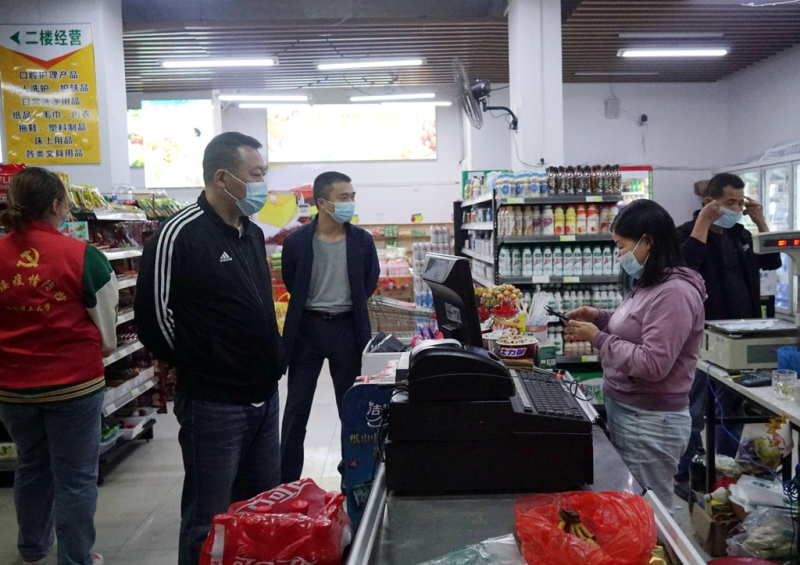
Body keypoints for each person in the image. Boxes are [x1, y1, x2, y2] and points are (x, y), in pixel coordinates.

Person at [135, 132, 283, 565]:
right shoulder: (178, 233)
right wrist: (203, 363)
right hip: (213, 402)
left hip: (264, 396)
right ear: (222, 178)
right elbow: (153, 318)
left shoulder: (251, 233)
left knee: (258, 511)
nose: (263, 184)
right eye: (256, 174)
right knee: (208, 519)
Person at [0, 167, 118, 565]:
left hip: (12, 387)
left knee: (31, 464)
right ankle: (75, 558)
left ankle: (32, 546)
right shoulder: (82, 256)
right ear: (56, 205)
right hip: (73, 386)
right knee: (76, 476)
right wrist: (103, 348)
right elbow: (106, 324)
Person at [566, 199, 706, 507]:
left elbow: (653, 364)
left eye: (621, 246)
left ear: (647, 241)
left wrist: (598, 338)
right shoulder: (651, 283)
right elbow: (636, 327)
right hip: (631, 410)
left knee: (648, 508)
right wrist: (600, 317)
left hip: (651, 420)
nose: (619, 255)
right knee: (630, 503)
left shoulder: (674, 293)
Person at [673, 172, 781, 499]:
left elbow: (773, 261)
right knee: (693, 412)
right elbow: (685, 267)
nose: (736, 209)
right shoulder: (685, 233)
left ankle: (724, 473)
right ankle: (686, 475)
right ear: (710, 202)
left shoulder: (741, 234)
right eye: (729, 202)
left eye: (740, 202)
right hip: (700, 339)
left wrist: (760, 221)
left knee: (730, 412)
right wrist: (704, 222)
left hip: (740, 340)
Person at [280, 171, 379, 483]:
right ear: (322, 203)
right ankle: (286, 480)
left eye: (352, 196)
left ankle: (353, 477)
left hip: (347, 330)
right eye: (343, 197)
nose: (350, 203)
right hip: (306, 331)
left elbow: (369, 282)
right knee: (296, 410)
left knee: (350, 409)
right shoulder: (296, 242)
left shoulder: (362, 241)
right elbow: (292, 282)